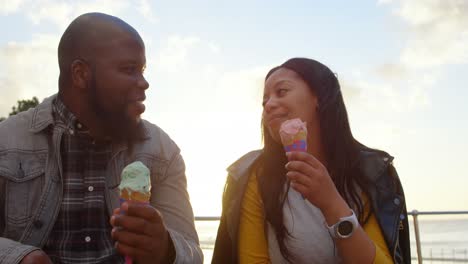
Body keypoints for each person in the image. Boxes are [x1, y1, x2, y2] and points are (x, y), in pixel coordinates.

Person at [0, 12, 203, 264]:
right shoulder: (6, 141)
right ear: (80, 74)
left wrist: (166, 249)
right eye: (129, 69)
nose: (144, 83)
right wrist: (19, 257)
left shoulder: (163, 150)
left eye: (142, 70)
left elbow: (192, 252)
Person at [212, 57, 411, 263]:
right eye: (264, 101)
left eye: (281, 92)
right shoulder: (254, 175)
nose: (269, 105)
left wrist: (331, 203)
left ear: (319, 97)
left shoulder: (369, 174)